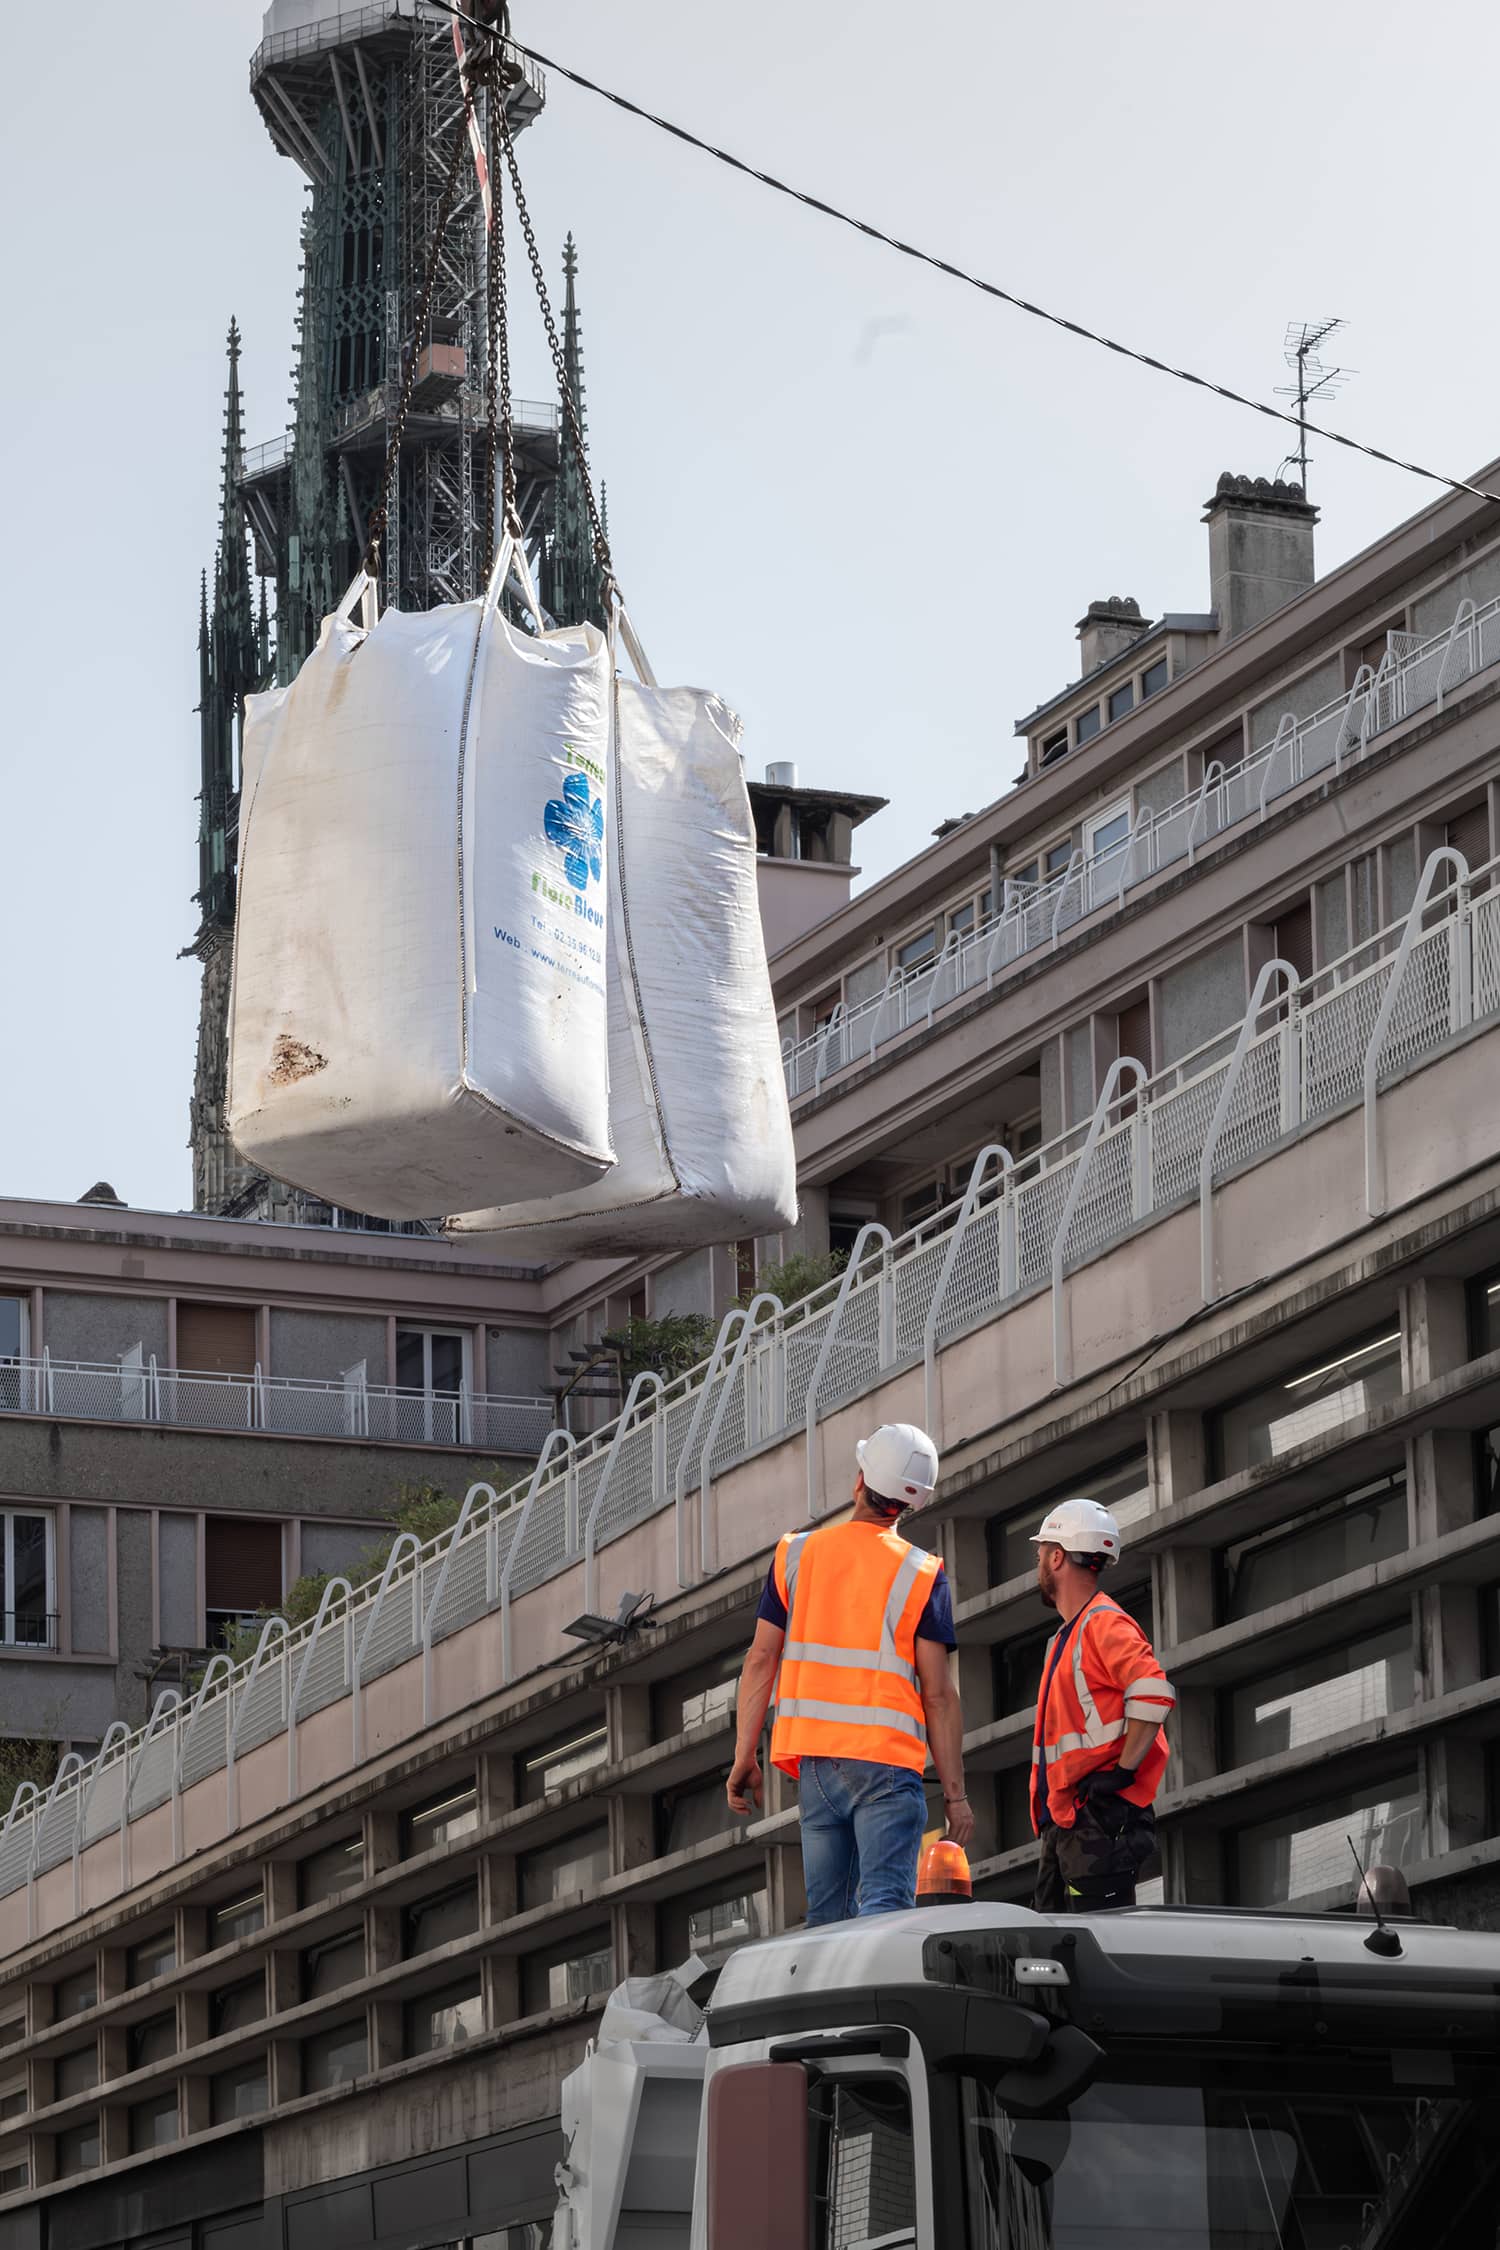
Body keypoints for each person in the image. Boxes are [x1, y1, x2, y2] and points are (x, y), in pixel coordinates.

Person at [725, 1422, 973, 1925]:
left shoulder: (794, 1554)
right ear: (912, 1504)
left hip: (815, 1764)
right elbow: (939, 1695)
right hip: (884, 1763)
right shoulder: (923, 1572)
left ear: (859, 1480)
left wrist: (744, 1755)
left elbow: (760, 1660)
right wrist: (956, 1795)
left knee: (827, 1920)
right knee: (885, 1913)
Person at [1029, 1496, 1175, 1913]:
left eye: (1041, 1553)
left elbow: (1153, 1690)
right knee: (1055, 1955)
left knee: (1095, 1945)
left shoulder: (1102, 1623)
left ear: (1057, 1557)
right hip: (1070, 1823)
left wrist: (1122, 1772)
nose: (1038, 1563)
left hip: (1097, 1821)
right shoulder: (1066, 1637)